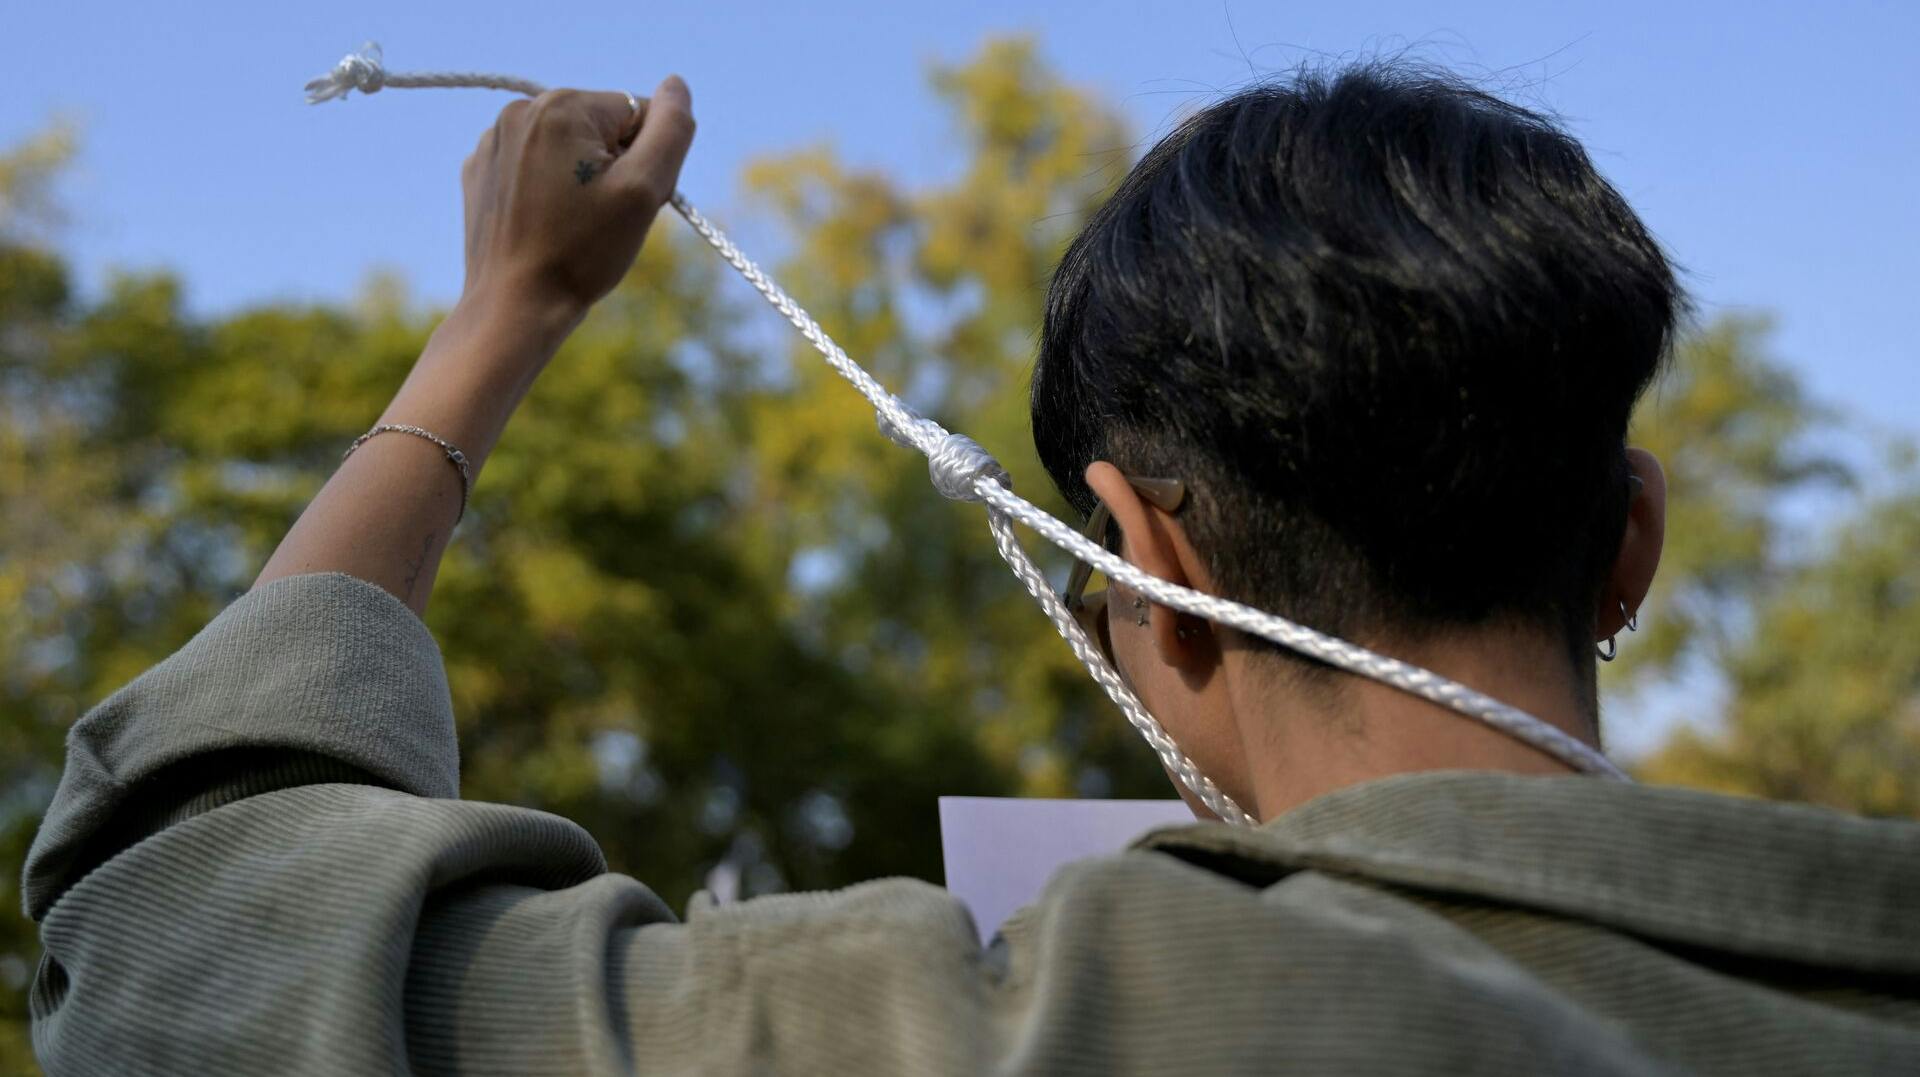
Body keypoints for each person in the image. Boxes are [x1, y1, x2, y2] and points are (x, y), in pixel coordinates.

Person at [21, 62, 1920, 1076]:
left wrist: (498, 324)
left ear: (1153, 567)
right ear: (1632, 548)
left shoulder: (1026, 1032)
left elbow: (174, 928)